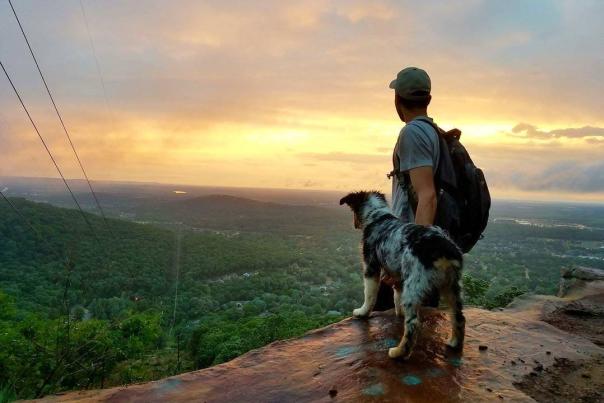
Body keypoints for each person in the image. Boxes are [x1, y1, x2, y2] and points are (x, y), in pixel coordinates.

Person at [374, 67, 440, 310]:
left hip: (411, 251)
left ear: (397, 99)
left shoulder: (412, 133)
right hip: (423, 246)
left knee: (387, 323)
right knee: (418, 327)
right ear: (428, 100)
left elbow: (428, 196)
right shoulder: (434, 133)